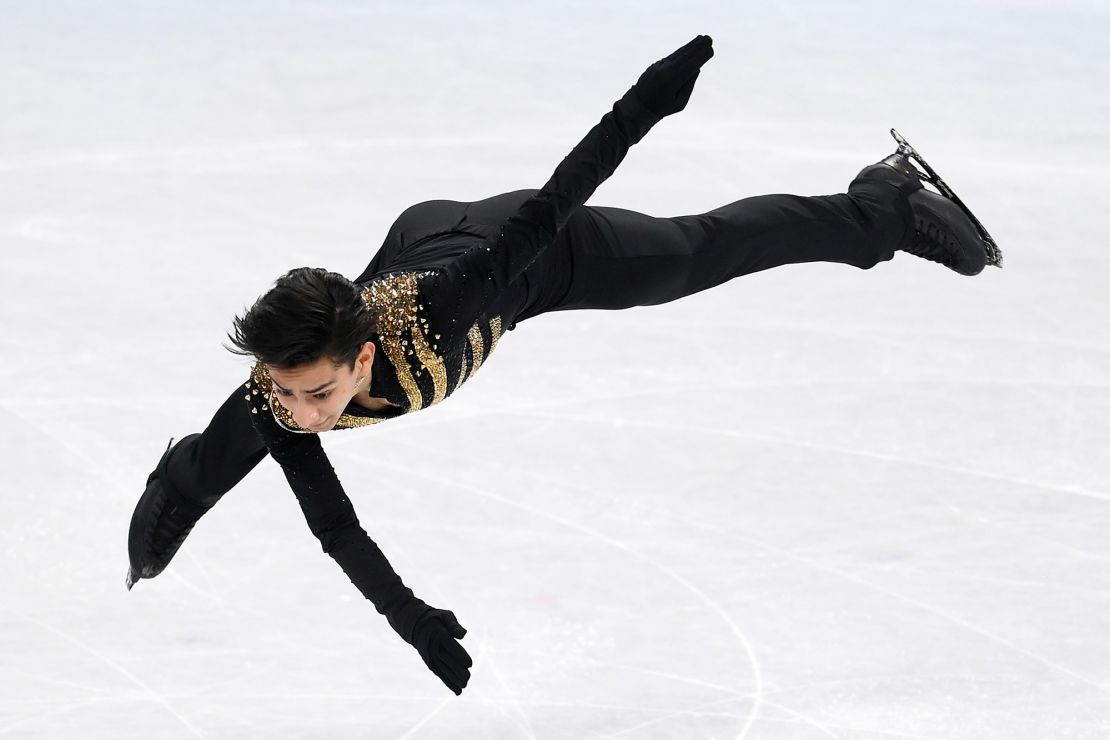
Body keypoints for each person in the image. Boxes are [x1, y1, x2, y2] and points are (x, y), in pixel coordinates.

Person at [125, 35, 1001, 696]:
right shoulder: (284, 395)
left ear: (361, 358)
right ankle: (175, 487)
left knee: (692, 257)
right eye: (288, 389)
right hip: (412, 235)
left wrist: (644, 104)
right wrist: (409, 616)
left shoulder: (445, 308)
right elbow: (334, 525)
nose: (304, 411)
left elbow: (554, 201)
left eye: (317, 392)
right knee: (230, 446)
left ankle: (880, 204)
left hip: (517, 256)